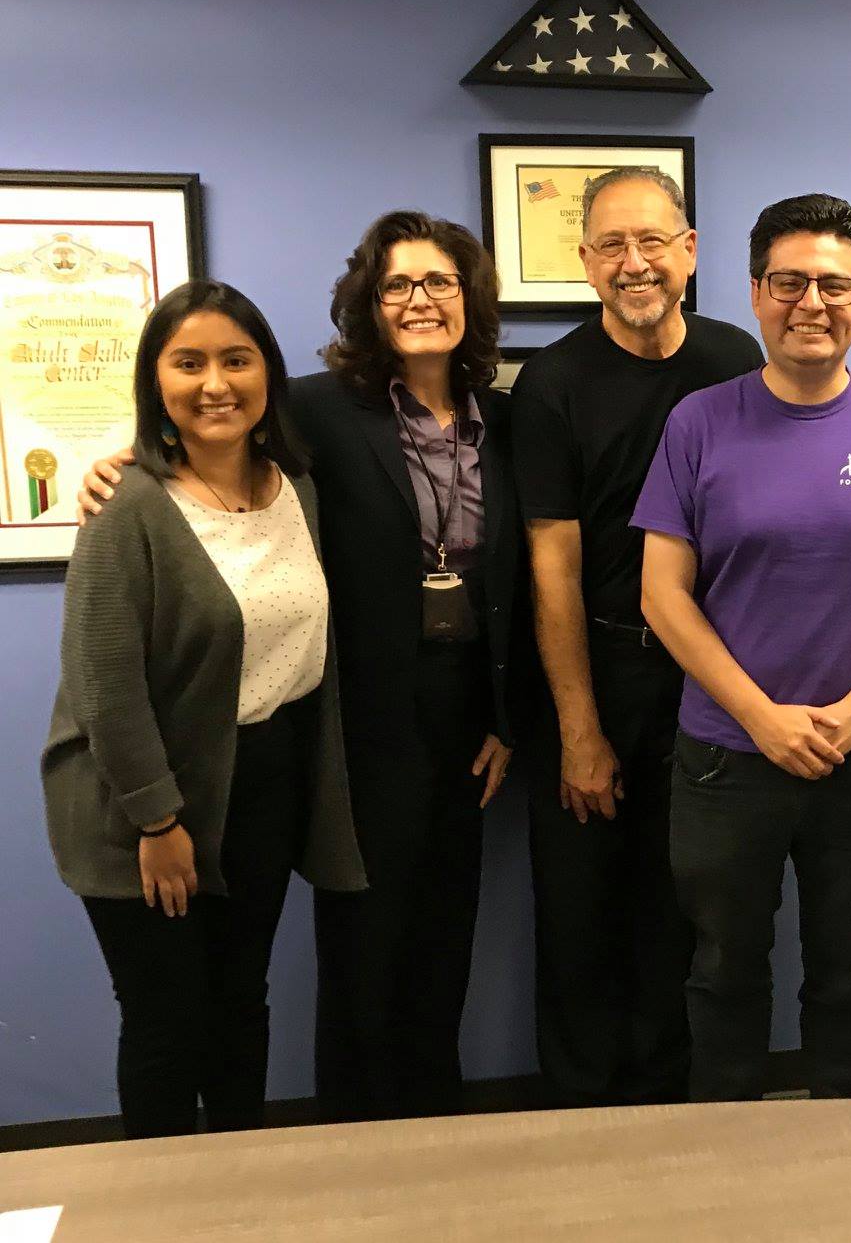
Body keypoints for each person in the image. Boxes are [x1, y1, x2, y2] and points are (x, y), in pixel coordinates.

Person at [79, 212, 527, 1121]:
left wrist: (505, 715)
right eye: (397, 285)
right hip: (356, 722)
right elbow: (207, 435)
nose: (420, 301)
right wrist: (117, 463)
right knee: (366, 946)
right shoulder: (320, 409)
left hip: (467, 713)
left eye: (439, 282)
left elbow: (521, 576)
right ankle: (357, 1135)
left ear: (469, 298)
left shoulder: (506, 418)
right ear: (370, 304)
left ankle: (437, 1126)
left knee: (447, 937)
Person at [633, 194, 851, 1101]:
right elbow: (662, 595)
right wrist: (761, 717)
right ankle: (730, 1182)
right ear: (754, 292)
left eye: (835, 283)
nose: (811, 302)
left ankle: (843, 1185)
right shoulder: (698, 423)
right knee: (723, 977)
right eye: (790, 281)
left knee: (849, 981)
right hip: (727, 759)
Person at [43, 281, 365, 1138]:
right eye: (188, 363)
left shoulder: (296, 484)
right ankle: (162, 1211)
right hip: (141, 798)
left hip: (262, 778)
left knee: (239, 1002)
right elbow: (105, 682)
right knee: (166, 1022)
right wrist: (158, 820)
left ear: (267, 376)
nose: (214, 382)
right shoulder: (129, 506)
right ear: (157, 381)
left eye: (236, 359)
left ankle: (237, 1195)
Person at [512, 165, 762, 1107]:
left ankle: (669, 1118)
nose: (635, 262)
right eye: (612, 245)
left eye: (653, 240)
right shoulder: (553, 383)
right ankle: (579, 1120)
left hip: (711, 680)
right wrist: (580, 727)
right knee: (578, 921)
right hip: (597, 671)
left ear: (689, 251)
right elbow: (552, 567)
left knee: (683, 912)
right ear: (585, 263)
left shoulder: (740, 362)